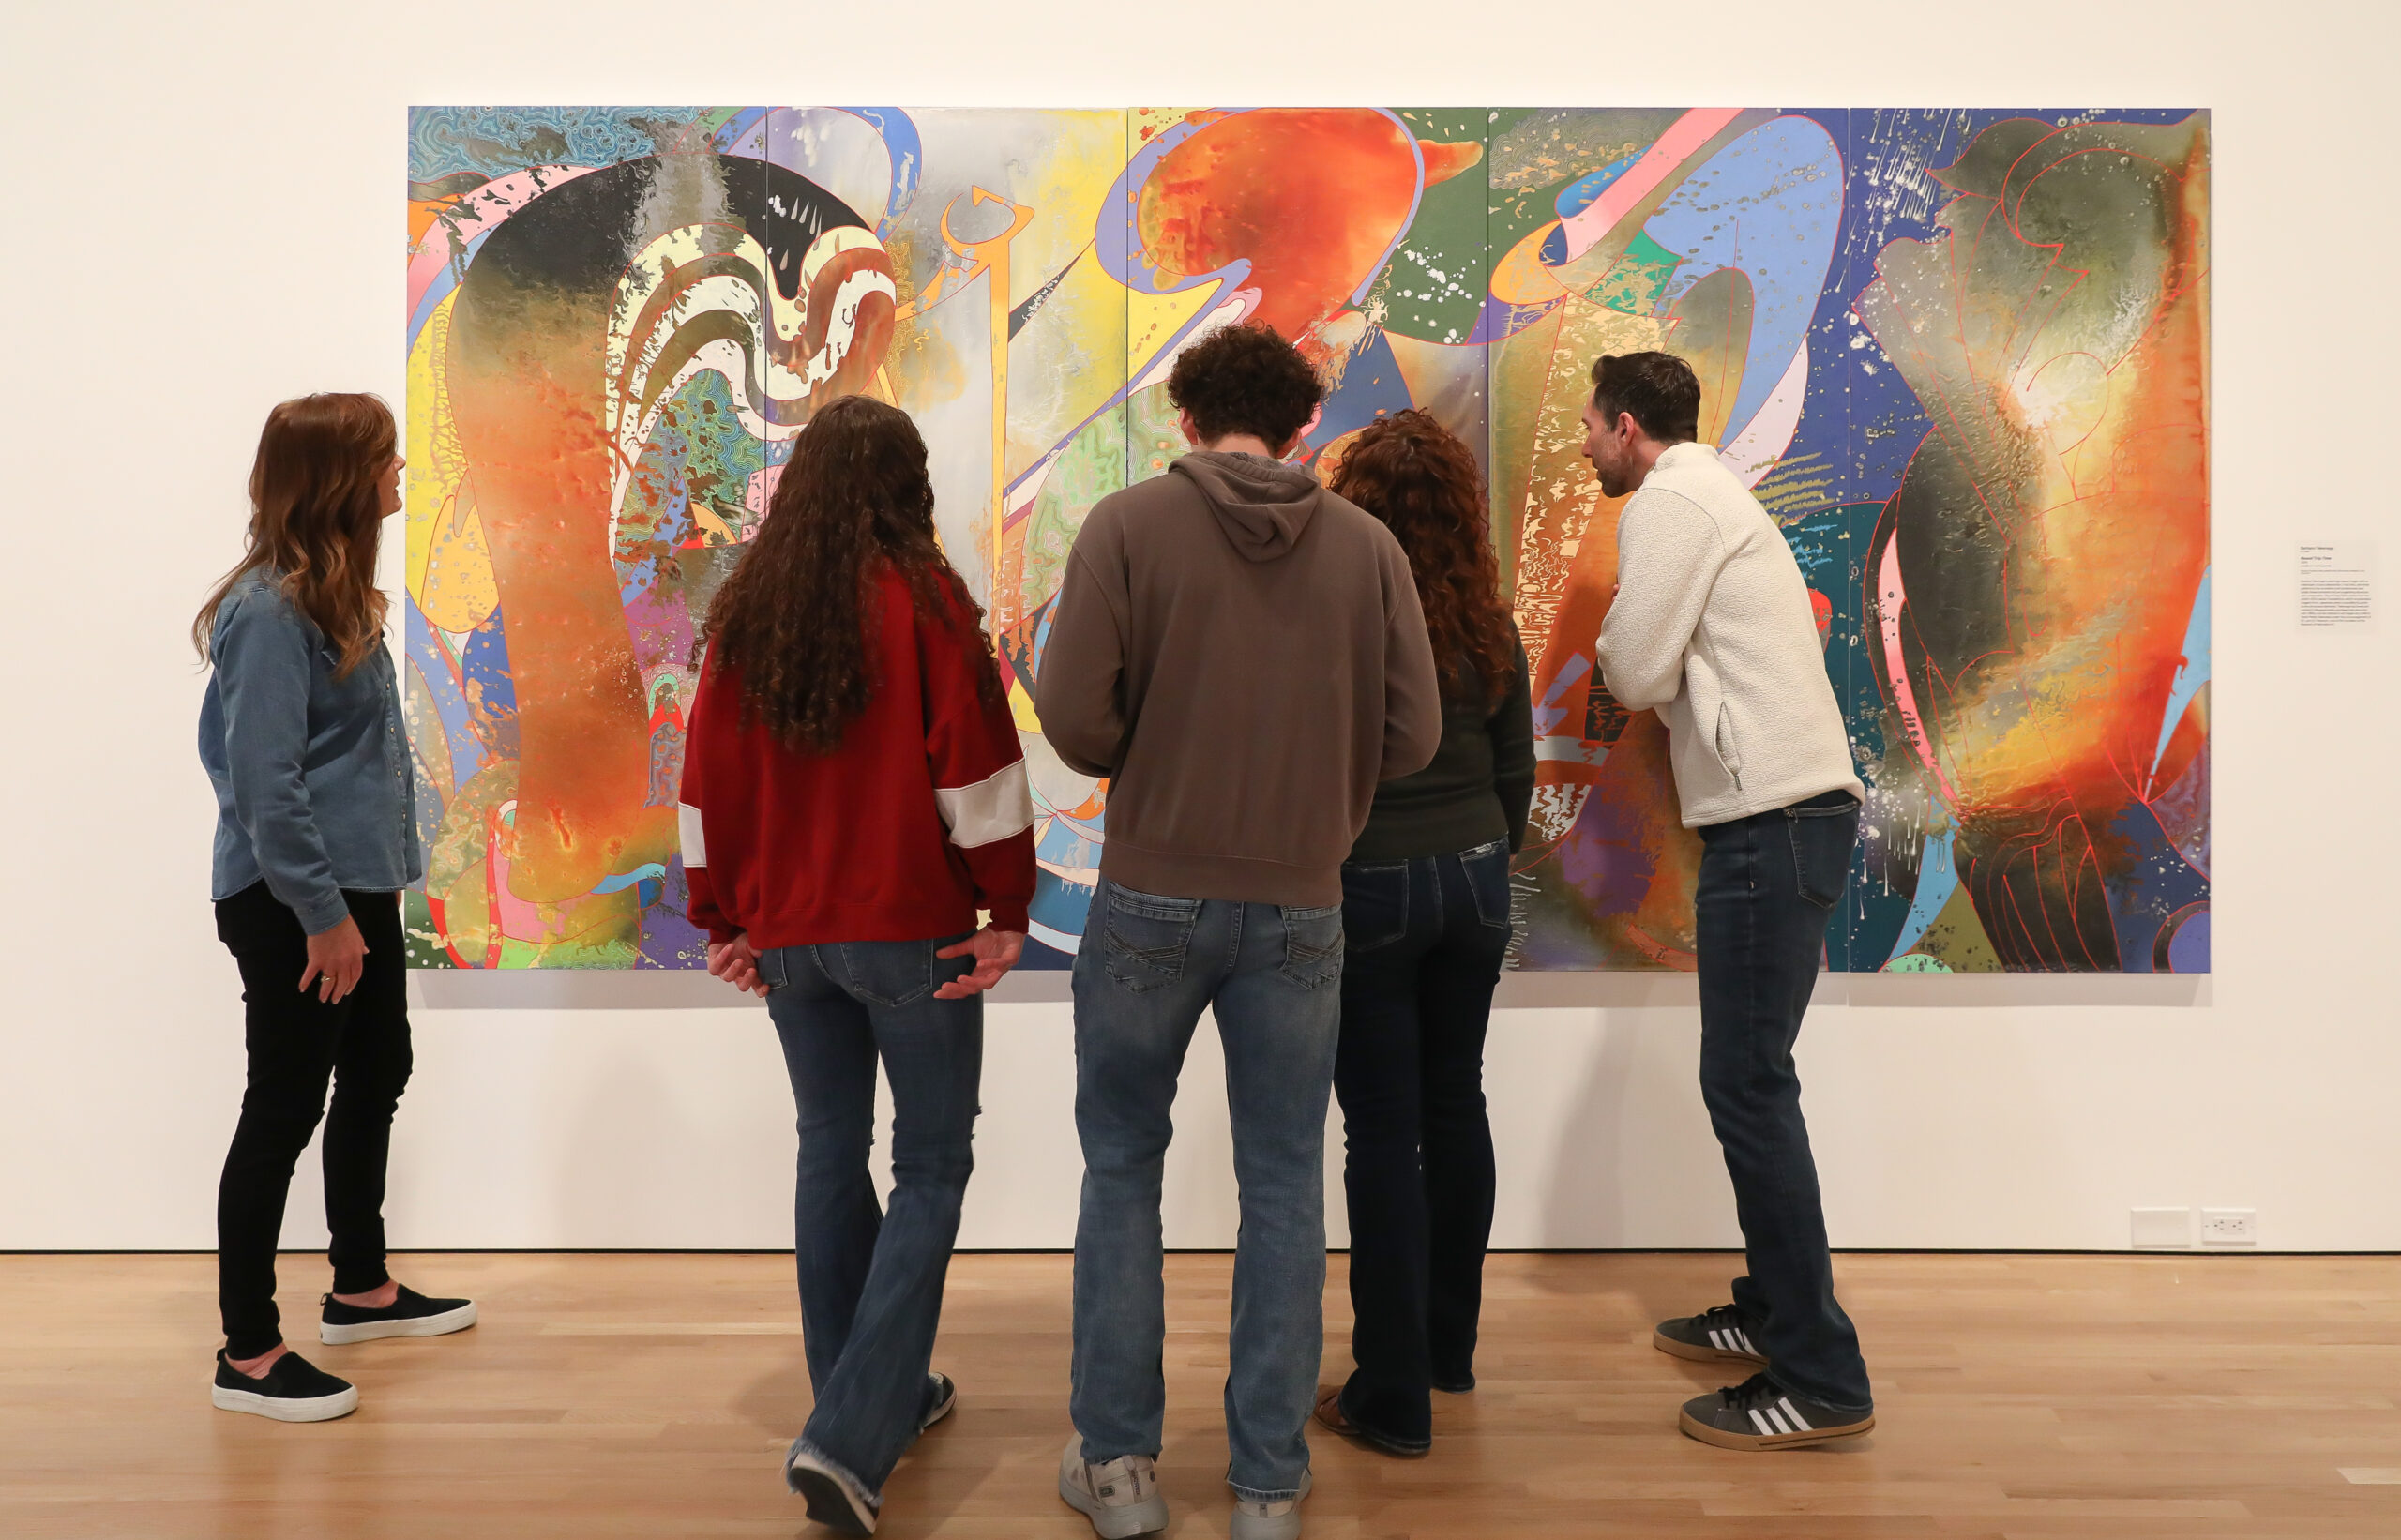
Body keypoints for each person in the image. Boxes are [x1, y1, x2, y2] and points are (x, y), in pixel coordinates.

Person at [1035, 324, 1442, 1540]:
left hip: (1152, 890)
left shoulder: (1125, 527)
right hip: (1303, 901)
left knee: (1121, 1165)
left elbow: (1070, 715)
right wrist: (1325, 782)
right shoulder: (1367, 547)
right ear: (1302, 425)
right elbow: (1414, 735)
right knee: (1281, 1182)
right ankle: (1267, 1480)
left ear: (1186, 415)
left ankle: (1118, 1470)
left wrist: (1152, 753)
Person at [678, 394, 1035, 1536]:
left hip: (792, 939)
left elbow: (705, 786)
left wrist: (720, 915)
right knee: (930, 1164)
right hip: (909, 929)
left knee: (829, 1148)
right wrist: (1011, 904)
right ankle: (849, 1432)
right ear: (906, 486)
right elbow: (974, 776)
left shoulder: (750, 614)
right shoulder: (925, 601)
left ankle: (861, 1396)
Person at [1583, 352, 1875, 1449]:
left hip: (1772, 822)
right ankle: (1772, 1311)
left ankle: (1820, 1373)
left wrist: (1628, 654)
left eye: (1587, 429)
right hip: (1781, 820)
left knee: (1747, 1087)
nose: (1581, 447)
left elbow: (1632, 669)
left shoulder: (1671, 501)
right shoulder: (1712, 495)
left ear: (1625, 426)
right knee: (1753, 1082)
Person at [194, 393, 476, 1423]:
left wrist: (362, 893)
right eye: (385, 459)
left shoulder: (331, 599)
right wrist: (320, 914)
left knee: (379, 1065)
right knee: (281, 1106)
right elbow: (266, 787)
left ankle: (360, 1285)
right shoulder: (268, 614)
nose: (401, 470)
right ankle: (250, 1350)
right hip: (291, 900)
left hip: (349, 890)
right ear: (340, 481)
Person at [1307, 410, 1533, 1458]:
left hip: (1373, 884)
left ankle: (1390, 1395)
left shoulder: (1343, 615)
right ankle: (1448, 1349)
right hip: (1478, 878)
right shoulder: (1489, 620)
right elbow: (1515, 774)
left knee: (1381, 1134)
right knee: (1456, 1105)